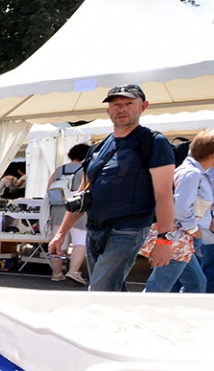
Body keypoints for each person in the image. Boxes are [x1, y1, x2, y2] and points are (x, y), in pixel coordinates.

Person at [49, 84, 176, 292]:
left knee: (100, 291)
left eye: (129, 103)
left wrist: (165, 240)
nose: (122, 109)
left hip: (128, 230)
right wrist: (61, 234)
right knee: (113, 293)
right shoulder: (98, 147)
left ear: (143, 107)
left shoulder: (153, 142)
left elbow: (164, 195)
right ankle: (127, 325)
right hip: (95, 229)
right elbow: (82, 195)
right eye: (116, 104)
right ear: (108, 110)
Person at [144, 130, 213, 293]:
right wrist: (194, 230)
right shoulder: (192, 173)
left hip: (180, 236)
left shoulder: (192, 171)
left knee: (196, 283)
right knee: (161, 284)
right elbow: (180, 208)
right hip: (181, 236)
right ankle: (143, 314)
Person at [46, 144, 89, 284]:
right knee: (80, 241)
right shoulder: (85, 169)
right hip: (77, 210)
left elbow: (48, 189)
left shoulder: (59, 170)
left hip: (57, 210)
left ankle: (56, 273)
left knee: (59, 242)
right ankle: (73, 271)